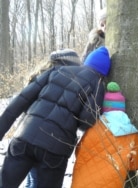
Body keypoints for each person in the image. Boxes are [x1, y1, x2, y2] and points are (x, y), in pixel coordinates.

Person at [0, 46, 111, 188]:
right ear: (104, 72)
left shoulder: (57, 70)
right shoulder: (97, 85)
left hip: (25, 136)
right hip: (55, 148)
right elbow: (87, 120)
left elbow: (21, 100)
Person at [23, 48, 82, 188]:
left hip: (27, 140)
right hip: (51, 146)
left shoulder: (37, 79)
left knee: (32, 181)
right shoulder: (67, 85)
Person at [71, 81, 138, 188]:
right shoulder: (131, 133)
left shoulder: (92, 126)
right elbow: (136, 163)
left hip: (82, 182)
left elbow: (78, 150)